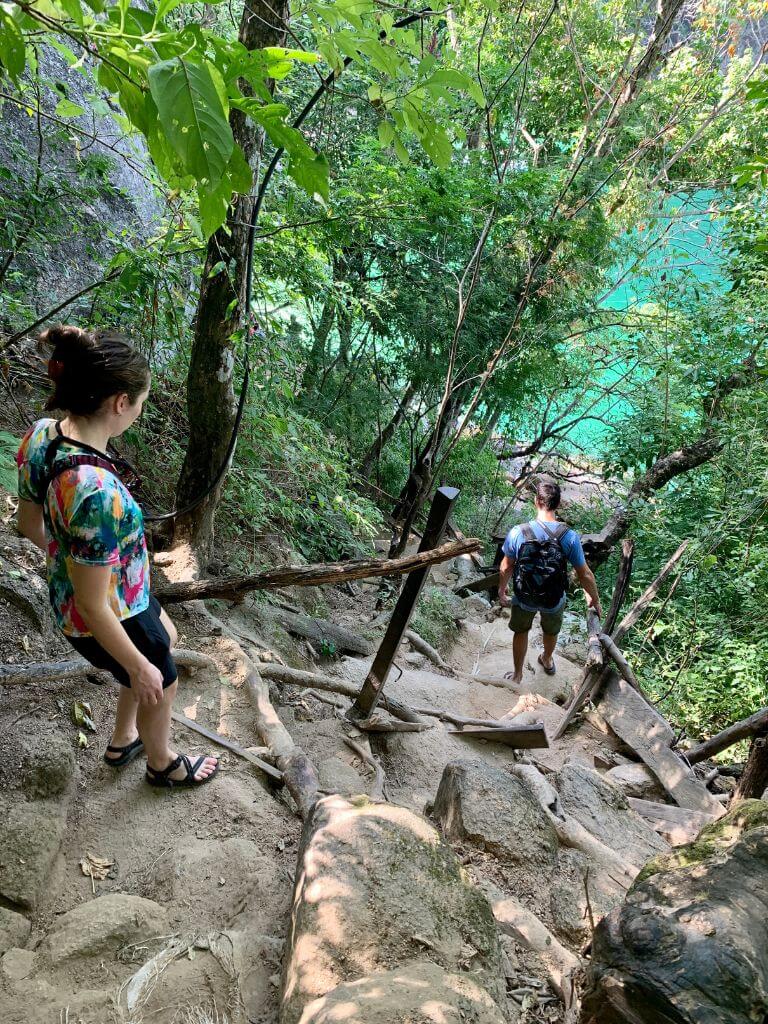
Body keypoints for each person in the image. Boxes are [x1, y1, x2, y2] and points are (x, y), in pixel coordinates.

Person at [16, 324, 219, 789]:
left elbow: (28, 524)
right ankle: (162, 762)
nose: (140, 411)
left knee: (164, 633)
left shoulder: (43, 435)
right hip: (106, 609)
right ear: (120, 403)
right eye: (141, 402)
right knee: (159, 676)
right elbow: (93, 606)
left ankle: (124, 737)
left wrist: (71, 557)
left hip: (98, 592)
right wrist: (138, 666)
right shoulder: (97, 493)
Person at [498, 479, 602, 684]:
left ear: (536, 501)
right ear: (558, 504)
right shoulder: (569, 536)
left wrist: (502, 590)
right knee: (550, 630)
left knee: (521, 631)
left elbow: (506, 566)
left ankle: (517, 675)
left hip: (524, 595)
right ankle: (546, 659)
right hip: (553, 598)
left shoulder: (518, 532)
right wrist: (594, 599)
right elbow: (585, 574)